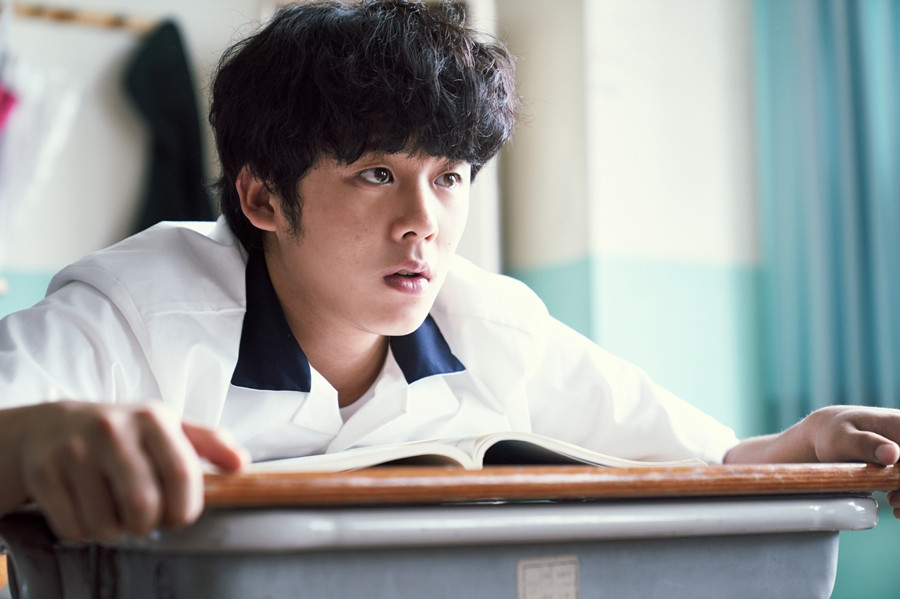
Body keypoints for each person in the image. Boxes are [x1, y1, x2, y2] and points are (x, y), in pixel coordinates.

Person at [1, 0, 900, 544]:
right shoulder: (135, 308)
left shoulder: (494, 323)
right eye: (376, 174)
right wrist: (37, 439)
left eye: (450, 177)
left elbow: (705, 462)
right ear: (264, 198)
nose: (423, 223)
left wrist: (806, 442)